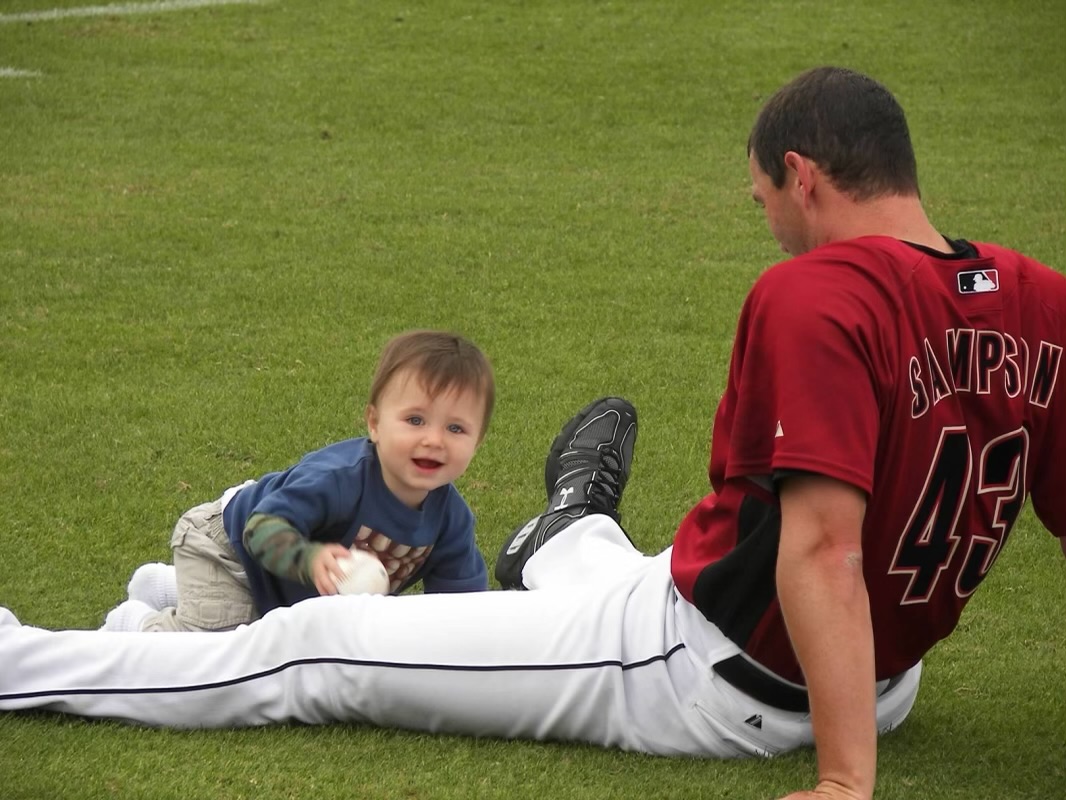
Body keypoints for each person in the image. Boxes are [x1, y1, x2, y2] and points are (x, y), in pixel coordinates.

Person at [1, 66, 1064, 800]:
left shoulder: (816, 293)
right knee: (628, 568)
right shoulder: (1037, 297)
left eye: (761, 199)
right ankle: (564, 530)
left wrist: (843, 776)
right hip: (882, 673)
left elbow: (823, 547)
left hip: (715, 675)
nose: (769, 222)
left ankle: (17, 663)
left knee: (312, 648)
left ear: (804, 175)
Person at [102, 328, 496, 632]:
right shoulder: (340, 478)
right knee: (220, 649)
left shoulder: (451, 520)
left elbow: (460, 607)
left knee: (269, 638)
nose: (434, 440)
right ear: (374, 423)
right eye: (415, 420)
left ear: (478, 442)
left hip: (276, 584)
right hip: (228, 547)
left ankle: (167, 587)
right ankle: (134, 621)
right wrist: (310, 558)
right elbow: (262, 528)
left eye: (456, 428)